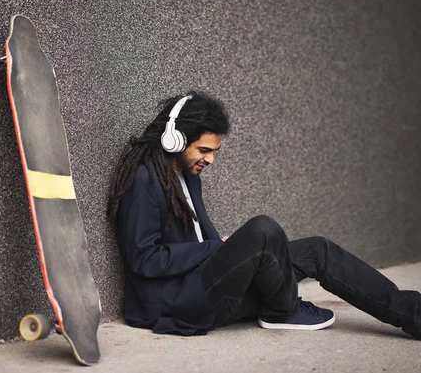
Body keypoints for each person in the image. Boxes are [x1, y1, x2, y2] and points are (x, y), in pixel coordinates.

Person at [108, 90, 420, 338]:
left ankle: (412, 313)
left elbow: (202, 240)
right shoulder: (144, 181)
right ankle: (282, 309)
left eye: (214, 151)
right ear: (174, 138)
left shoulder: (187, 174)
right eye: (204, 150)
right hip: (180, 304)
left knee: (317, 249)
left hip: (205, 286)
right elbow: (144, 259)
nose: (211, 159)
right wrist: (218, 248)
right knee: (263, 229)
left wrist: (226, 253)